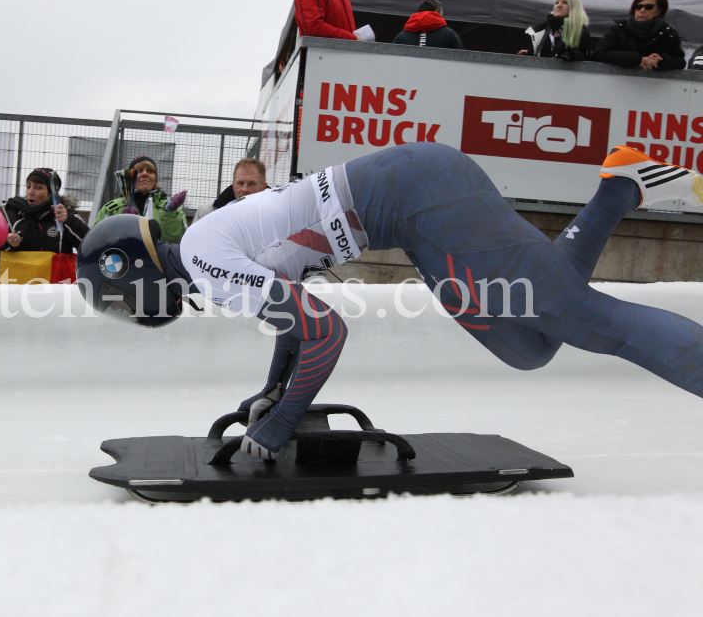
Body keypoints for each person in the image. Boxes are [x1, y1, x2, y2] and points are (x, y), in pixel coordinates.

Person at [78, 141, 703, 460]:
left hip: (420, 199)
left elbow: (327, 332)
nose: (129, 315)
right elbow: (292, 322)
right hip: (413, 213)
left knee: (582, 316)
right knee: (530, 345)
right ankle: (618, 188)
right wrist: (272, 393)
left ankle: (620, 186)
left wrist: (281, 423)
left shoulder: (206, 263)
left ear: (135, 278)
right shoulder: (205, 256)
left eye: (119, 304)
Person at [95, 156, 187, 243]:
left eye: (150, 171)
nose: (145, 173)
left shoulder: (173, 210)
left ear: (155, 178)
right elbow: (97, 240)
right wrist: (122, 224)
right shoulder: (111, 209)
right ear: (130, 178)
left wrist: (169, 217)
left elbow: (179, 243)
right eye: (139, 171)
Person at [591, 0, 685, 71]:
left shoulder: (668, 34)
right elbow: (598, 53)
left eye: (648, 7)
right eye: (638, 6)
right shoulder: (618, 30)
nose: (642, 10)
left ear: (659, 10)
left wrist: (659, 60)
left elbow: (680, 62)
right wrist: (638, 60)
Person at [3, 168, 89, 252]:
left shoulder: (64, 213)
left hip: (56, 266)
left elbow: (88, 244)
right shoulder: (15, 212)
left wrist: (69, 220)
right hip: (21, 266)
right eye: (28, 186)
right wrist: (9, 243)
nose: (30, 192)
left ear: (52, 193)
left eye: (38, 188)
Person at [516, 0, 591, 60]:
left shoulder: (581, 31)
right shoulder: (541, 30)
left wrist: (572, 55)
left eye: (565, 2)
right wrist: (529, 54)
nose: (559, 5)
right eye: (557, 2)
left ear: (574, 7)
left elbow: (585, 58)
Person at [295, 0, 372, 42]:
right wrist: (353, 38)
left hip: (343, 55)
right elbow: (313, 28)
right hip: (322, 56)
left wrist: (354, 39)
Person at [194, 158, 268, 221]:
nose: (245, 189)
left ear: (264, 187)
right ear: (233, 186)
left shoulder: (276, 214)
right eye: (240, 183)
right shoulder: (208, 212)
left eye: (251, 183)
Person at [392, 0, 464, 49]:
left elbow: (390, 57)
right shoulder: (449, 34)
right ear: (437, 11)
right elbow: (461, 59)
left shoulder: (402, 36)